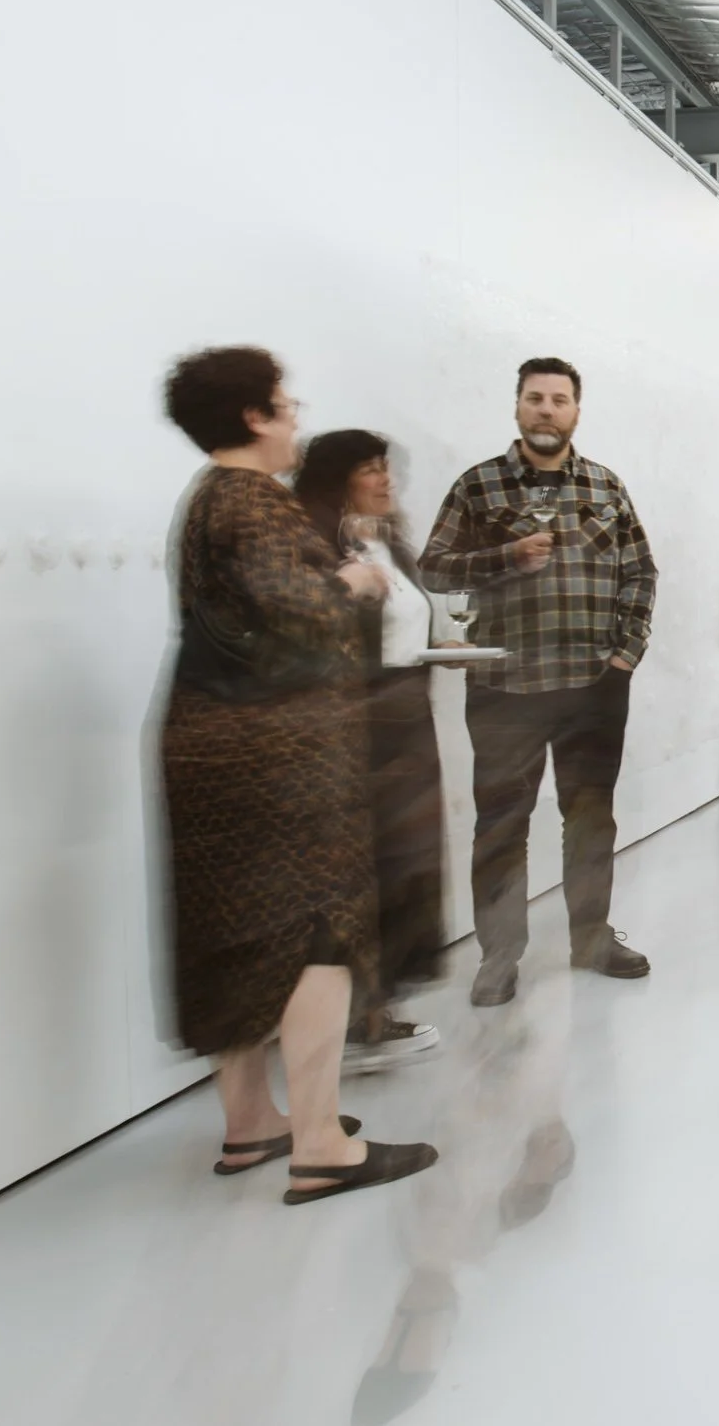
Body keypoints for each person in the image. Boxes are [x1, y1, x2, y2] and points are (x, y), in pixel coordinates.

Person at [158, 346, 436, 1201]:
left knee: (234, 933)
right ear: (254, 416)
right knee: (321, 929)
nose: (295, 419)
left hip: (209, 739)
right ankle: (320, 1144)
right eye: (286, 405)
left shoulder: (206, 495)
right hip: (275, 754)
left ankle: (251, 1123)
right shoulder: (251, 500)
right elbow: (300, 611)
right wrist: (354, 581)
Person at [420, 357, 657, 1008]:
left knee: (590, 820)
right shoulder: (478, 486)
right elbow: (434, 568)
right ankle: (499, 958)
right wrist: (505, 556)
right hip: (504, 689)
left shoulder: (606, 486)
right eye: (535, 398)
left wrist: (626, 654)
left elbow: (640, 572)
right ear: (517, 406)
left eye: (559, 399)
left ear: (576, 410)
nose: (546, 409)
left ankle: (592, 940)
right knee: (501, 825)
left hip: (593, 687)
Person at [294, 430, 445, 1075]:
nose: (385, 479)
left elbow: (404, 630)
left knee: (408, 867)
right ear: (338, 481)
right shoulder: (324, 551)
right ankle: (354, 1024)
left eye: (386, 467)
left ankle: (379, 1011)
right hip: (363, 731)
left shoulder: (389, 543)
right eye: (369, 469)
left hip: (409, 722)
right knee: (369, 869)